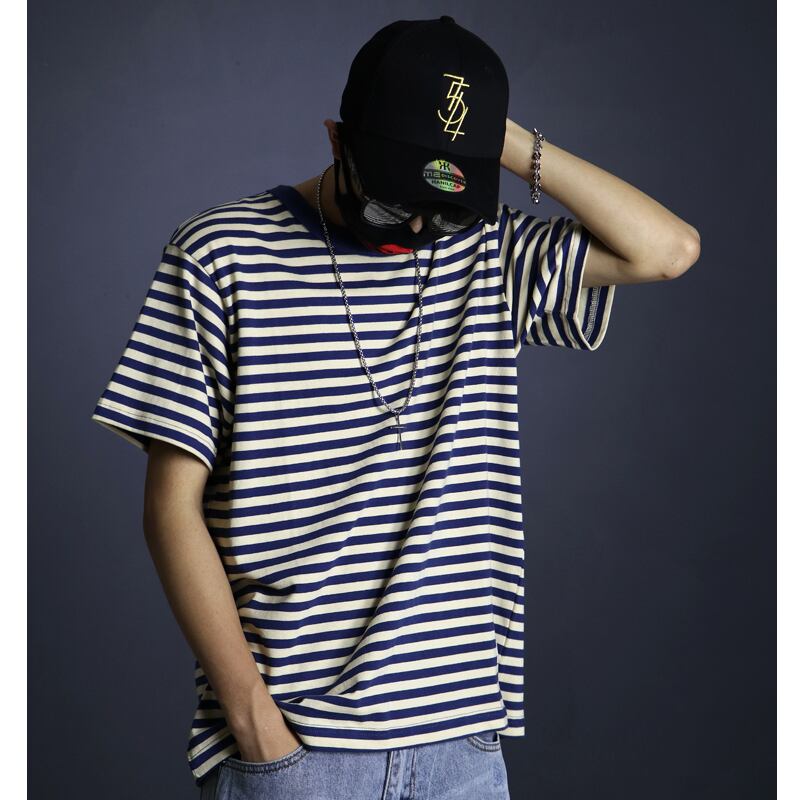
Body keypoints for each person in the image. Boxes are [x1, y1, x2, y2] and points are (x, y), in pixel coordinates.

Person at [90, 15, 700, 800]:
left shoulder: (483, 252)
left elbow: (667, 250)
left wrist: (495, 137)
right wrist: (255, 723)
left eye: (444, 207)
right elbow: (170, 509)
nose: (415, 226)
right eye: (390, 201)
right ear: (337, 140)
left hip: (461, 753)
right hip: (295, 750)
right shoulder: (219, 253)